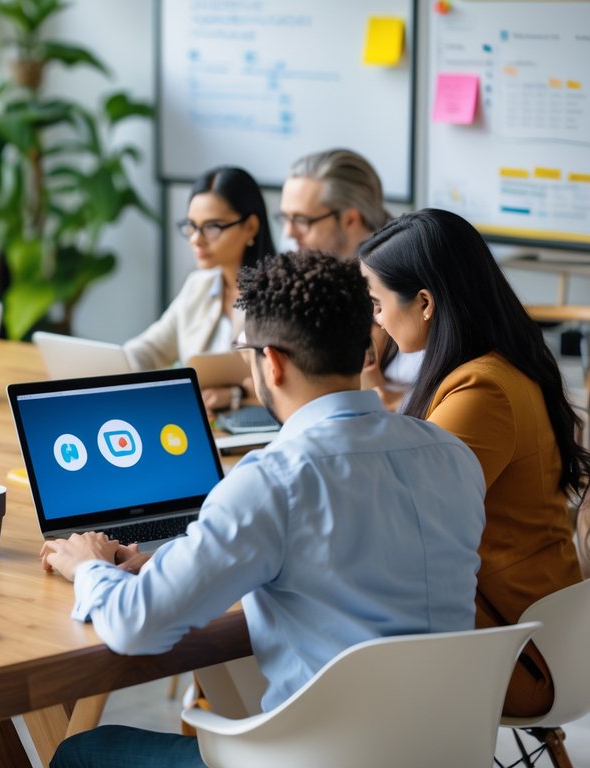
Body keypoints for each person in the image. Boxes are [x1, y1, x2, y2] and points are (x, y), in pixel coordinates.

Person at [43, 251, 487, 767]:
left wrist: (89, 566)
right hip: (446, 753)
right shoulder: (452, 455)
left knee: (86, 752)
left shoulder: (273, 480)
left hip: (319, 759)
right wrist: (177, 559)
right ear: (365, 344)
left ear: (270, 362)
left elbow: (135, 625)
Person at [359, 208, 589, 718]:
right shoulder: (497, 368)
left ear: (423, 303)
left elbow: (401, 517)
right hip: (538, 634)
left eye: (376, 303)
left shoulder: (480, 389)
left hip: (520, 656)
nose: (374, 318)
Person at [123, 166, 274, 413]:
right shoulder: (198, 285)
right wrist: (112, 366)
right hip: (202, 421)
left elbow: (294, 379)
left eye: (212, 226)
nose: (196, 239)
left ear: (250, 227)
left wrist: (238, 393)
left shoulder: (279, 293)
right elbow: (152, 349)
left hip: (255, 427)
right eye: (192, 226)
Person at [278, 148, 418, 410]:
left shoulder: (403, 283)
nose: (289, 233)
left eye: (301, 220)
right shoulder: (316, 274)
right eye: (285, 218)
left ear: (350, 219)